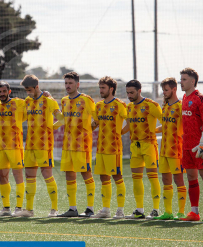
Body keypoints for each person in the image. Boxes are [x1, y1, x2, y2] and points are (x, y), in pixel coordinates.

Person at [15, 74, 63, 217]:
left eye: (29, 90)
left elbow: (62, 120)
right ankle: (29, 210)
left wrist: (50, 128)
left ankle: (54, 209)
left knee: (47, 175)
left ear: (37, 87)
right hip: (29, 145)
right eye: (26, 90)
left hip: (44, 145)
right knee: (29, 176)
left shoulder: (49, 101)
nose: (28, 93)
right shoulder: (27, 101)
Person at [179, 68, 203, 222]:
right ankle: (194, 212)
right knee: (191, 177)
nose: (181, 82)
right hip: (187, 145)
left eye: (184, 79)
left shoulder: (201, 99)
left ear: (192, 81)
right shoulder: (183, 98)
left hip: (200, 146)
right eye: (181, 79)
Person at [57, 72, 96, 217]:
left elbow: (97, 117)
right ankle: (72, 209)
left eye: (70, 83)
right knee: (69, 175)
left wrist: (88, 131)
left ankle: (90, 209)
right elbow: (62, 120)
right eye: (66, 83)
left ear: (77, 84)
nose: (67, 86)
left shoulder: (86, 100)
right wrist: (50, 127)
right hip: (67, 145)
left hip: (82, 146)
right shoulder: (64, 100)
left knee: (86, 174)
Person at [123, 80, 162, 219]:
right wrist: (118, 133)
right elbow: (128, 126)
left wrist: (153, 131)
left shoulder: (151, 105)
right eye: (127, 93)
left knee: (152, 177)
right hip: (135, 146)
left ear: (139, 91)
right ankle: (139, 210)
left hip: (149, 145)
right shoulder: (128, 107)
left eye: (132, 92)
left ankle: (156, 210)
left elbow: (166, 123)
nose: (129, 95)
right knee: (136, 178)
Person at [90, 76, 127, 219]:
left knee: (117, 177)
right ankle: (106, 209)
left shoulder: (120, 104)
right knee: (103, 178)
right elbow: (95, 124)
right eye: (100, 87)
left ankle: (120, 210)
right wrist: (86, 128)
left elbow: (129, 123)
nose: (100, 90)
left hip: (114, 149)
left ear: (111, 89)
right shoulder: (98, 106)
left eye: (103, 88)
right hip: (101, 148)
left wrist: (120, 133)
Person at [0, 81, 27, 217]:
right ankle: (6, 208)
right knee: (2, 176)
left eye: (4, 91)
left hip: (15, 146)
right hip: (1, 147)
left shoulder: (19, 103)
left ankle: (18, 208)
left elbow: (32, 101)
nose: (2, 94)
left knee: (18, 175)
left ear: (9, 91)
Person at [153, 78, 187, 220]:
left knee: (178, 180)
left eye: (166, 90)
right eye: (163, 90)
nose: (164, 93)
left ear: (174, 89)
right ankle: (168, 212)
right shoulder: (165, 106)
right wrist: (152, 130)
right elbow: (165, 126)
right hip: (164, 150)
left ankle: (181, 212)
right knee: (166, 180)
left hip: (176, 150)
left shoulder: (181, 106)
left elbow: (184, 128)